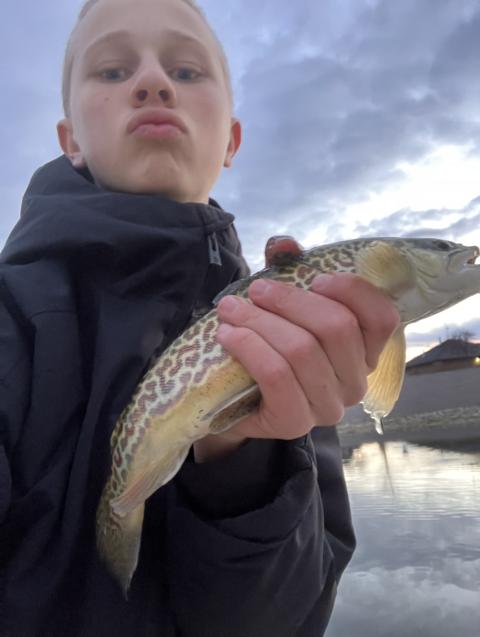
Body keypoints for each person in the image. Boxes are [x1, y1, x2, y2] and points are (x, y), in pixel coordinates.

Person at [0, 0, 399, 635]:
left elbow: (288, 623)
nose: (152, 82)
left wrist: (246, 460)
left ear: (232, 140)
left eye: (186, 71)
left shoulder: (294, 332)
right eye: (112, 71)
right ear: (70, 140)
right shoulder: (9, 317)